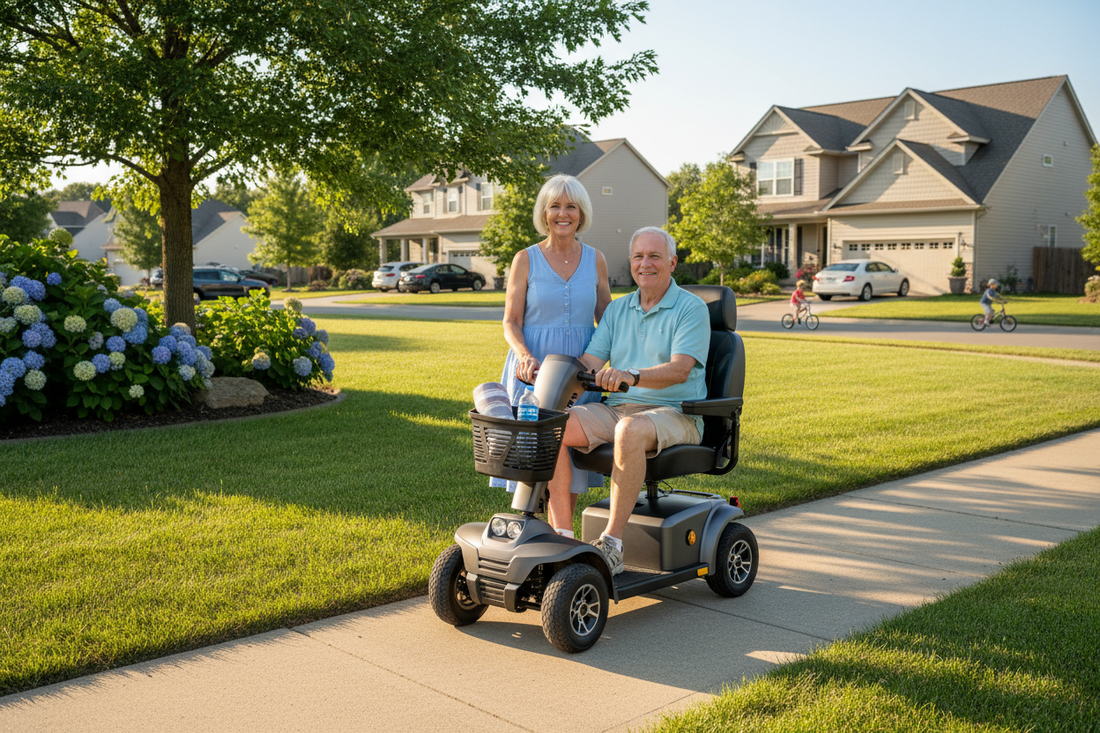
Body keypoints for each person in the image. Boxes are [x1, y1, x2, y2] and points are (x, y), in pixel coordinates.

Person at [545, 226, 710, 574]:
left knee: (629, 431)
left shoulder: (691, 308)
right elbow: (589, 362)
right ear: (631, 262)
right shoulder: (618, 312)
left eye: (654, 256)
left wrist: (631, 375)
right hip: (619, 409)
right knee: (551, 424)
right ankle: (561, 535)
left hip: (677, 412)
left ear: (672, 262)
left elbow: (680, 370)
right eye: (638, 256)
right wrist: (550, 377)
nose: (645, 264)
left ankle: (613, 545)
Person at [492, 174, 613, 530]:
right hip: (534, 372)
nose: (563, 213)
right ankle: (541, 539)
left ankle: (562, 538)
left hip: (580, 372)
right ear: (544, 213)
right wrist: (524, 355)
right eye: (555, 206)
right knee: (534, 464)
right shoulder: (525, 259)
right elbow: (510, 322)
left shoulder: (597, 260)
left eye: (571, 206)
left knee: (571, 460)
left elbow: (607, 321)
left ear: (581, 213)